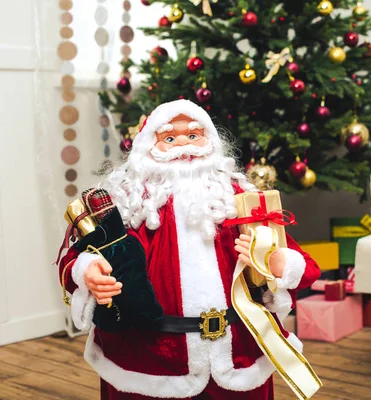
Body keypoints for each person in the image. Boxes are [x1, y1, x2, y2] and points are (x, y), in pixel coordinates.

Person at [58, 100, 321, 400]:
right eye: (170, 138)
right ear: (148, 148)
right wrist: (89, 271)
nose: (184, 145)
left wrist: (276, 262)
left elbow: (306, 267)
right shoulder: (128, 203)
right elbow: (72, 260)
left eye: (194, 136)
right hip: (149, 360)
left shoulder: (238, 200)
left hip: (237, 357)